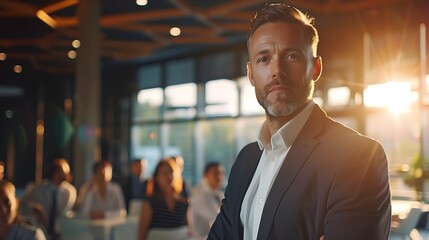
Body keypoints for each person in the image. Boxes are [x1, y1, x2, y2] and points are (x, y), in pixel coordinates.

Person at [208, 3, 391, 240]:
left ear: (315, 68)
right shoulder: (246, 160)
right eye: (264, 59)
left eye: (291, 56)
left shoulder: (358, 157)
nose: (277, 71)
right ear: (251, 74)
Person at [19, 158, 76, 239]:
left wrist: (56, 227)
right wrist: (37, 209)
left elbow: (64, 213)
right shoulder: (41, 188)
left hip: (61, 232)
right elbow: (25, 205)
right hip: (42, 228)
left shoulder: (69, 191)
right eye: (60, 172)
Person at [138, 159, 190, 240]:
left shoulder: (183, 203)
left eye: (171, 172)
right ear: (156, 178)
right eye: (164, 173)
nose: (169, 176)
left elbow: (189, 232)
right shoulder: (149, 202)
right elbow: (142, 235)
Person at [191, 162, 225, 240]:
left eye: (221, 173)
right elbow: (217, 218)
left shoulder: (220, 195)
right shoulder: (200, 195)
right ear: (205, 176)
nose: (219, 176)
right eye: (215, 173)